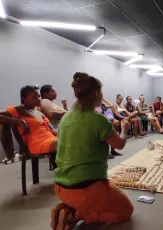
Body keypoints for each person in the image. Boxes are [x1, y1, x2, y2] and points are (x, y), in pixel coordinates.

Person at [52, 72, 133, 229]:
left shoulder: (65, 118)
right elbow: (119, 144)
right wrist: (124, 129)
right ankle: (78, 216)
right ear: (96, 93)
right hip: (87, 189)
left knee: (107, 191)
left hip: (60, 187)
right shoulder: (98, 120)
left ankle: (69, 208)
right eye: (101, 92)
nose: (102, 96)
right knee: (126, 211)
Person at [0, 86, 58, 161]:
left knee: (72, 139)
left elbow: (53, 130)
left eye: (39, 96)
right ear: (24, 99)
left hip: (51, 139)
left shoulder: (40, 113)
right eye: (34, 97)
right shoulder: (20, 109)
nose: (39, 99)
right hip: (37, 143)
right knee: (66, 142)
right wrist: (17, 121)